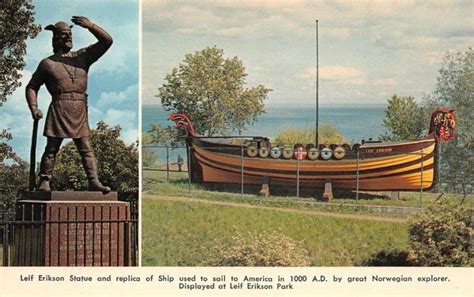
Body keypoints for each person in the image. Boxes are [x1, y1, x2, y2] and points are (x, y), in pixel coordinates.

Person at [26, 16, 112, 193]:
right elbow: (32, 86)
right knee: (51, 148)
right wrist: (34, 107)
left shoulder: (83, 57)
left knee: (86, 149)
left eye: (70, 35)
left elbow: (107, 41)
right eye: (64, 35)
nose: (68, 38)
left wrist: (91, 26)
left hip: (79, 108)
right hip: (59, 107)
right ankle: (44, 180)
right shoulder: (48, 64)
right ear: (56, 38)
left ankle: (93, 181)